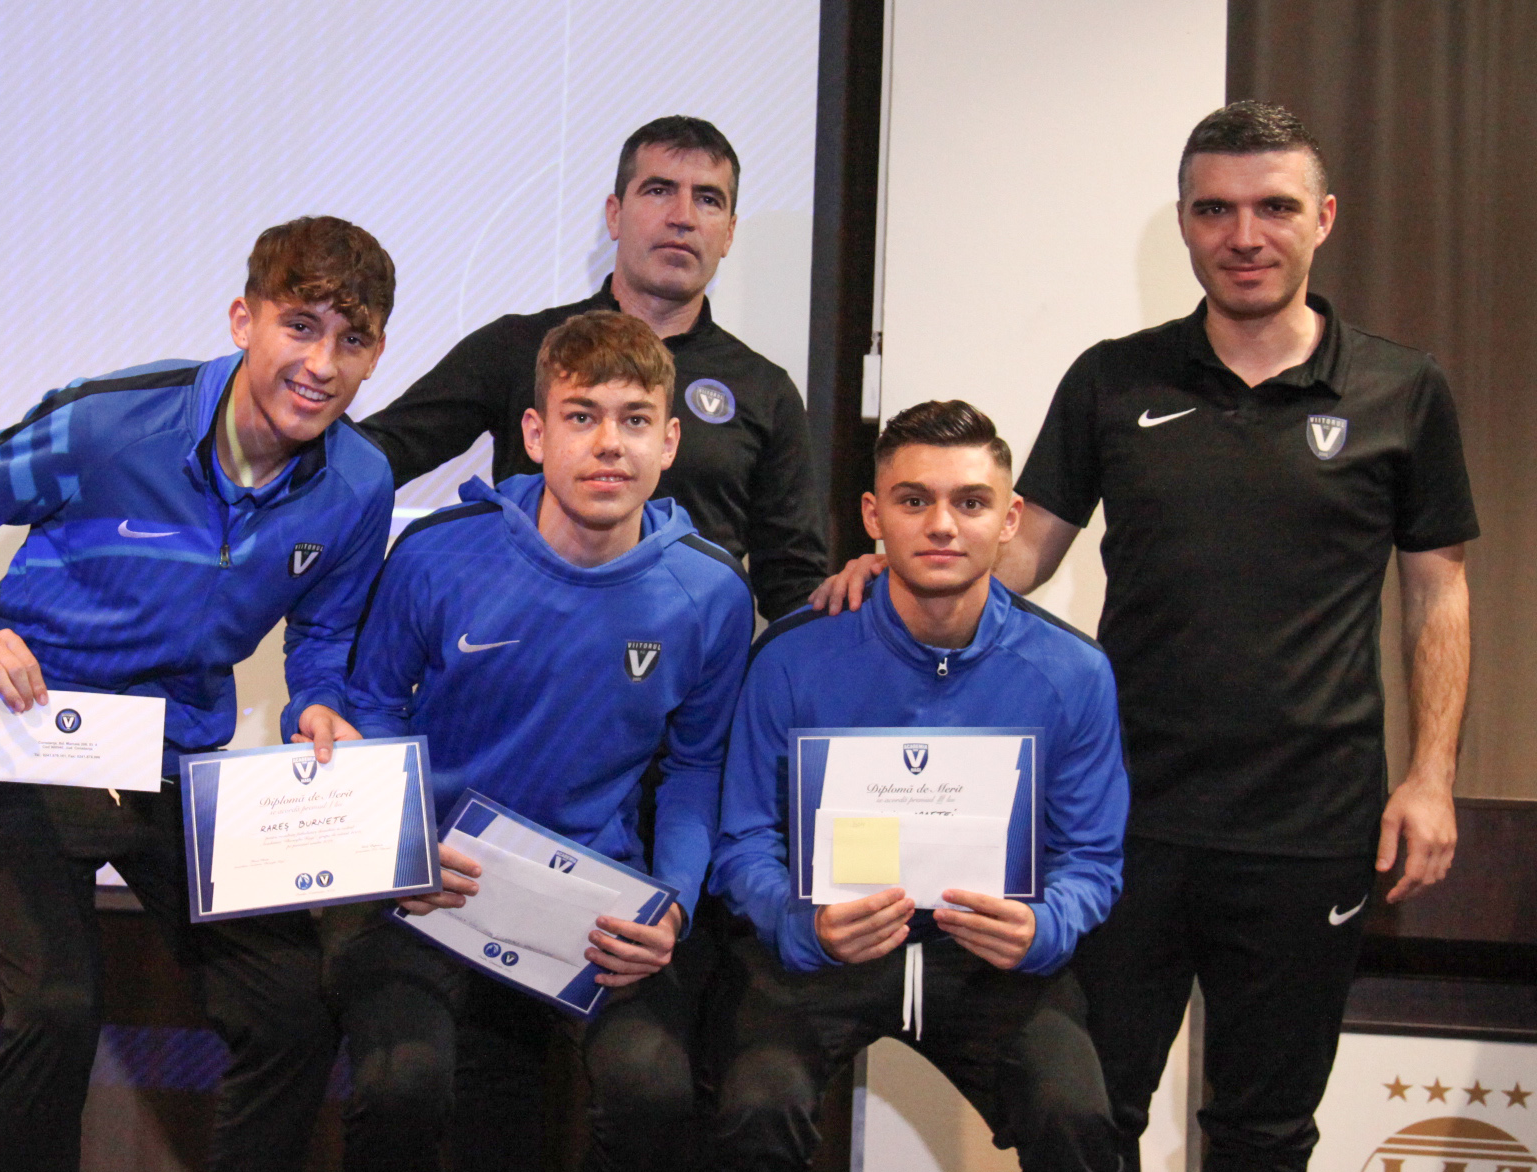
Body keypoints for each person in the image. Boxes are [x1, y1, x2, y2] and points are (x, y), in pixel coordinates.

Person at [815, 102, 1477, 1171]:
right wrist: (894, 570)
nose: (1244, 235)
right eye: (1214, 210)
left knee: (1265, 1131)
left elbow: (1436, 590)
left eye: (1274, 208)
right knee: (1089, 1114)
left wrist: (1433, 774)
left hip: (1311, 823)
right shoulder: (1113, 379)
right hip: (1123, 819)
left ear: (1323, 219)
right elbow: (1015, 555)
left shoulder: (1402, 389)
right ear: (1183, 222)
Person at [0, 216, 399, 1172]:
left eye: (352, 340)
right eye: (300, 326)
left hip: (170, 755)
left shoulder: (361, 482)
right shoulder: (112, 422)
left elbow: (325, 632)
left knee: (291, 1010)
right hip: (19, 740)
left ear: (376, 356)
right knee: (57, 1007)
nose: (322, 364)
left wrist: (317, 702)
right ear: (244, 319)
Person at [325, 310, 754, 1171]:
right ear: (534, 433)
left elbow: (697, 766)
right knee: (402, 1084)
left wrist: (671, 900)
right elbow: (372, 707)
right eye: (581, 415)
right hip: (428, 888)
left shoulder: (710, 593)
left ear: (670, 442)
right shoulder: (436, 554)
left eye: (635, 419)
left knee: (654, 1092)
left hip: (591, 896)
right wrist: (403, 849)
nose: (609, 444)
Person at [709, 399, 1127, 1171]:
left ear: (1010, 519)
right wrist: (804, 927)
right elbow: (743, 842)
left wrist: (1043, 929)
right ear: (874, 515)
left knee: (1076, 1118)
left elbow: (1092, 859)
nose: (941, 525)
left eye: (970, 502)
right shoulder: (794, 657)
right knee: (755, 1106)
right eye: (913, 501)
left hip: (990, 959)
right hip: (827, 943)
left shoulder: (1073, 672)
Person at [361, 114, 827, 620]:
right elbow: (378, 457)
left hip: (685, 660)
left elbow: (794, 586)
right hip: (520, 646)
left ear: (730, 232)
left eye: (708, 199)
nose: (683, 217)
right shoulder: (521, 347)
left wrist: (865, 598)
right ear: (615, 214)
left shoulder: (764, 391)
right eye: (659, 191)